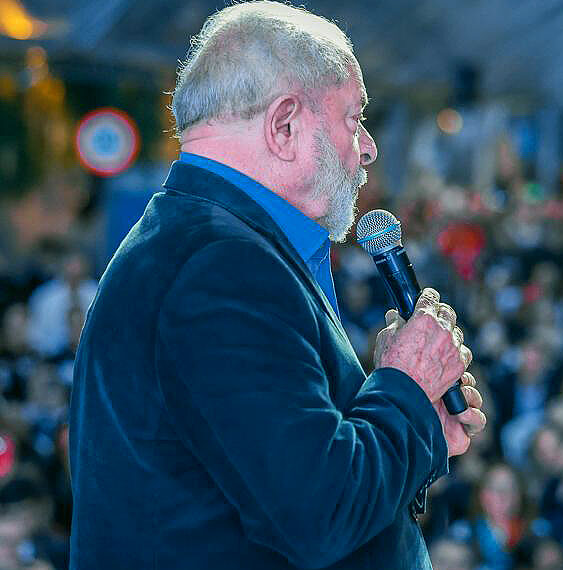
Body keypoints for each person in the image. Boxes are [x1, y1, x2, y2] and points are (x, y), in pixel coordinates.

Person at [68, 2, 485, 569]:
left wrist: (414, 421)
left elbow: (292, 482)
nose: (367, 147)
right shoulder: (221, 267)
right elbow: (317, 515)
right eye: (353, 118)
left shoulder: (203, 243)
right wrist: (404, 385)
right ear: (284, 126)